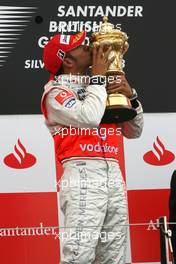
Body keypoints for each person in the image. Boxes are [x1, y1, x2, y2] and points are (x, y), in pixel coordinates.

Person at [41, 31, 144, 264]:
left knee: (114, 256)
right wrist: (98, 79)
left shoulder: (99, 86)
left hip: (114, 175)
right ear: (68, 61)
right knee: (79, 254)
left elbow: (134, 131)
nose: (91, 48)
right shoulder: (56, 92)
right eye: (82, 47)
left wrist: (132, 97)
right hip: (82, 174)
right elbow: (88, 116)